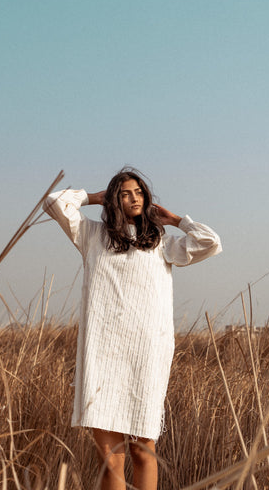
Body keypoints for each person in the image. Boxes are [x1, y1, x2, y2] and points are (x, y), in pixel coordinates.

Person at [43, 168, 222, 490]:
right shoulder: (92, 235)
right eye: (125, 193)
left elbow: (209, 243)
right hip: (103, 353)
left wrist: (177, 220)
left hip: (147, 353)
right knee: (110, 457)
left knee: (142, 451)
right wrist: (94, 196)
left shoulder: (161, 242)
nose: (134, 198)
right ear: (114, 199)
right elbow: (54, 202)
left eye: (139, 192)